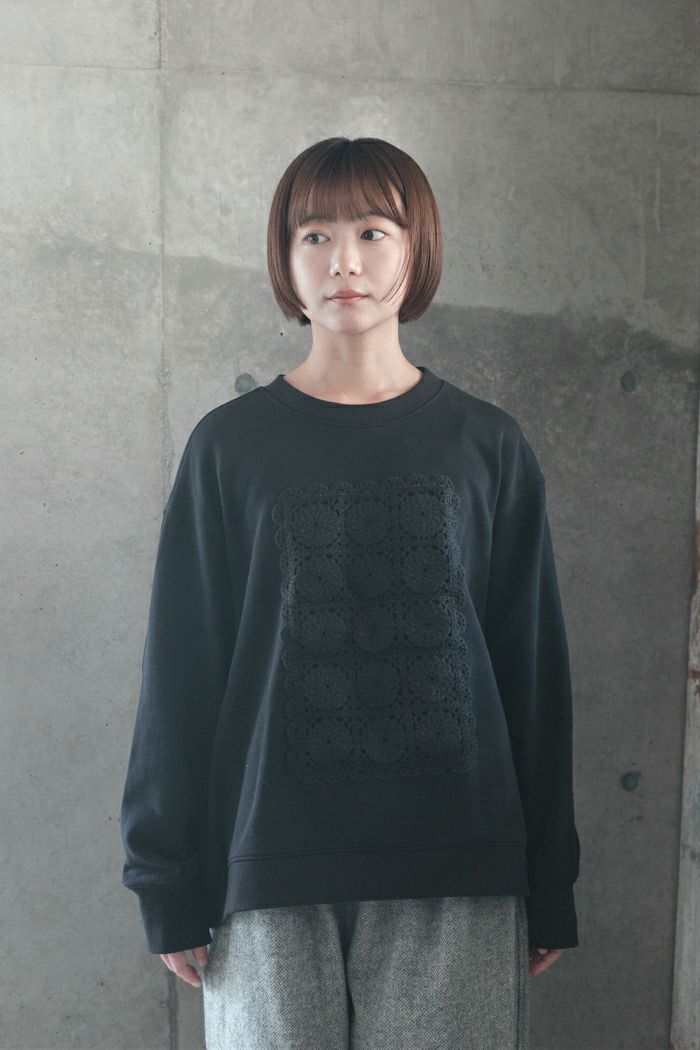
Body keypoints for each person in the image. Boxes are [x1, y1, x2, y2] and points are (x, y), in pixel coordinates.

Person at [120, 136, 581, 1049]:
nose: (344, 262)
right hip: (265, 866)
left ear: (417, 248)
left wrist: (549, 878)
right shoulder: (230, 449)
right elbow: (181, 667)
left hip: (458, 862)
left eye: (373, 231)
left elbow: (532, 671)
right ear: (286, 260)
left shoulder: (486, 446)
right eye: (315, 236)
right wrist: (163, 877)